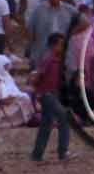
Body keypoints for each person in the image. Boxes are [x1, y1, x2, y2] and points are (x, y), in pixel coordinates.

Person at [29, 33, 72, 162]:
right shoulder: (49, 60)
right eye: (61, 45)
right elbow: (37, 76)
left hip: (50, 94)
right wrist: (38, 91)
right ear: (54, 46)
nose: (63, 47)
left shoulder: (57, 60)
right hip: (47, 94)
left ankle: (37, 154)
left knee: (46, 124)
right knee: (64, 118)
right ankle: (63, 152)